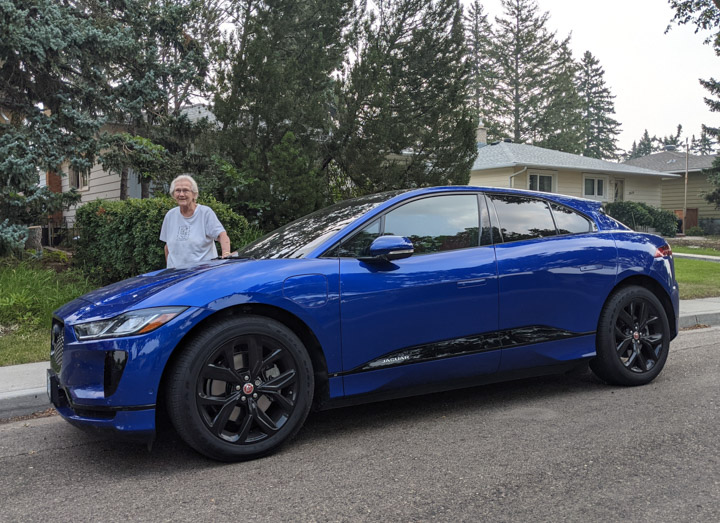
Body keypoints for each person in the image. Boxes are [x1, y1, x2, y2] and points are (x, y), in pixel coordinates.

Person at [160, 174, 231, 268]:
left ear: (194, 194)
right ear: (173, 194)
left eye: (185, 190)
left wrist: (226, 254)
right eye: (178, 190)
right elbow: (167, 247)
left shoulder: (205, 213)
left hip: (202, 273)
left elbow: (222, 235)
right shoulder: (170, 215)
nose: (181, 194)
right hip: (176, 275)